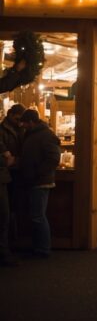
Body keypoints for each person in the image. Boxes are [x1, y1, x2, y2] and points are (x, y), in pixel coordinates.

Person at [18, 109, 60, 258]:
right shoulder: (34, 134)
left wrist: (36, 172)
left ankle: (43, 249)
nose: (22, 125)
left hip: (40, 181)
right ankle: (39, 247)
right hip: (34, 180)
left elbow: (54, 159)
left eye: (24, 123)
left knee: (38, 216)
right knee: (36, 215)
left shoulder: (46, 135)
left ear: (31, 122)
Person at [0, 104, 25, 266]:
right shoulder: (2, 130)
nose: (20, 122)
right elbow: (6, 158)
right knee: (4, 213)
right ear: (11, 115)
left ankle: (11, 245)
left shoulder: (19, 128)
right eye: (18, 118)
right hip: (5, 174)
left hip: (14, 175)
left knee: (12, 211)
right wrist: (10, 159)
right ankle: (5, 251)